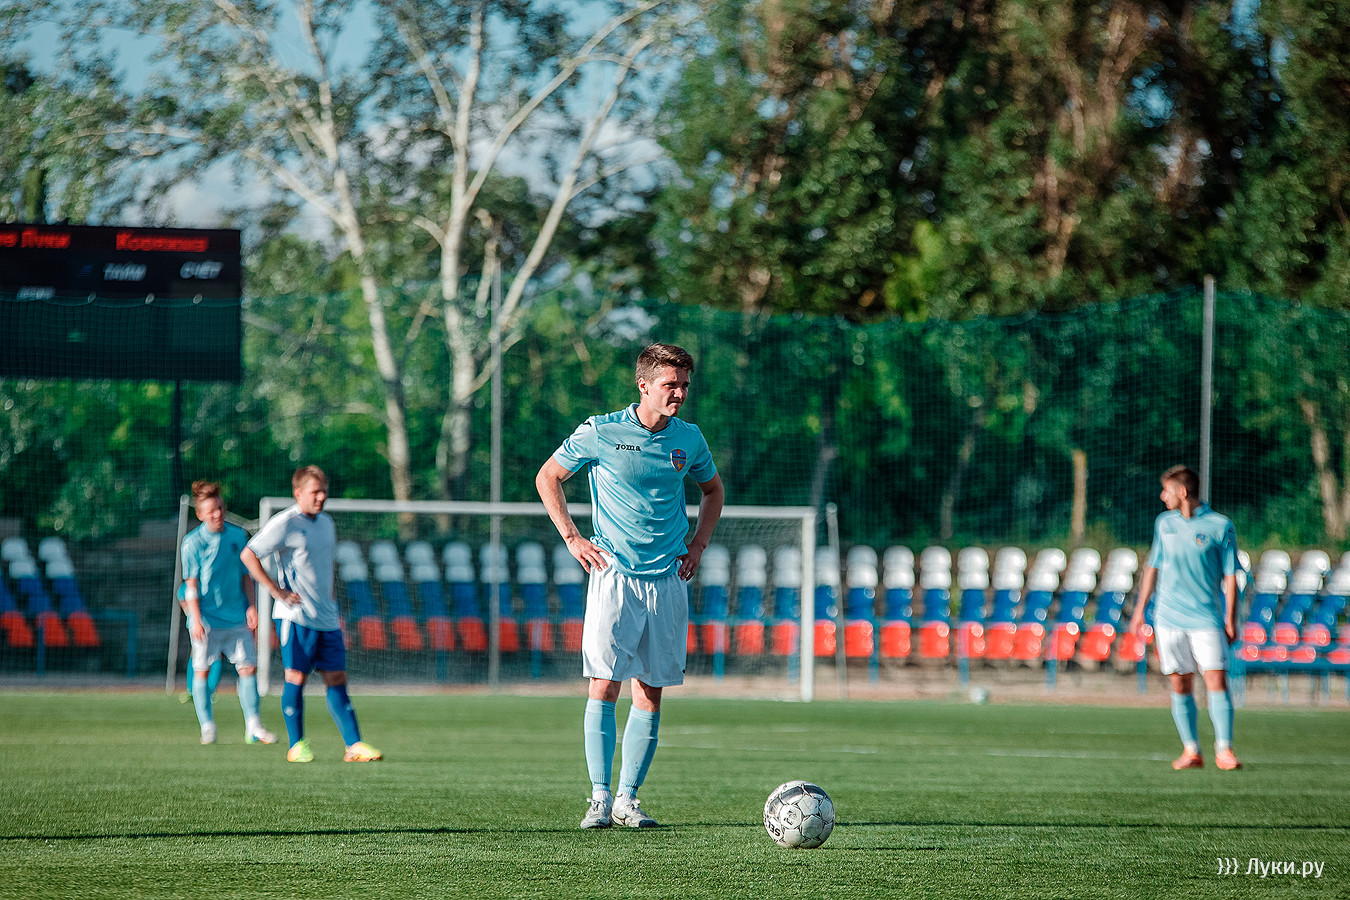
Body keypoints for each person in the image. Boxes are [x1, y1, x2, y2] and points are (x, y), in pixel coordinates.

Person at [536, 343, 725, 829]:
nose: (679, 393)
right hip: (614, 575)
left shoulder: (689, 438)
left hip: (668, 579)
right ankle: (599, 798)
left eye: (684, 385)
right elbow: (548, 476)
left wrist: (698, 544)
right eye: (670, 385)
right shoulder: (601, 431)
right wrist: (572, 537)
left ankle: (627, 800)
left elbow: (713, 490)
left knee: (651, 691)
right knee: (604, 683)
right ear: (643, 385)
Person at [241, 466, 382, 764]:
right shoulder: (285, 523)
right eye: (315, 492)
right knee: (296, 676)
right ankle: (297, 745)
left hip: (326, 617)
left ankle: (354, 745)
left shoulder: (327, 523)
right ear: (298, 493)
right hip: (296, 616)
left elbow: (324, 569)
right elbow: (248, 554)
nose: (321, 497)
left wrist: (331, 605)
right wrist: (276, 591)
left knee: (337, 677)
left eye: (324, 492)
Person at [1128, 464, 1242, 771]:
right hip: (1168, 618)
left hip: (1206, 618)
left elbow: (1231, 575)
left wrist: (1230, 618)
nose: (1162, 496)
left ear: (1182, 491)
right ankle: (1191, 749)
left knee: (1216, 680)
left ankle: (1224, 750)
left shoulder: (1220, 525)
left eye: (1166, 490)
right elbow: (1153, 567)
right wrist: (1139, 611)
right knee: (1180, 683)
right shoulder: (1164, 524)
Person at [180, 481, 277, 745]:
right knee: (202, 670)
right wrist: (195, 618)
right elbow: (191, 585)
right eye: (211, 510)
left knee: (248, 668)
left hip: (236, 617)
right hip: (207, 620)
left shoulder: (237, 536)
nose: (218, 514)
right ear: (200, 514)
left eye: (220, 508)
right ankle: (207, 727)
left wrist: (252, 606)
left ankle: (254, 727)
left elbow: (246, 576)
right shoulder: (192, 543)